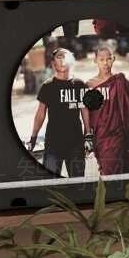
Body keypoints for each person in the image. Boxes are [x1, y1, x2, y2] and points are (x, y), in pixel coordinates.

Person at [84, 42, 129, 177]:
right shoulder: (90, 84)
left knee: (122, 172)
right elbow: (87, 112)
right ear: (95, 61)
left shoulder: (120, 81)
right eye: (102, 60)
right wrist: (88, 136)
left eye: (108, 59)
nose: (105, 63)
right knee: (108, 170)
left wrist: (123, 122)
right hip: (102, 137)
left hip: (119, 134)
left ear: (113, 59)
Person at [27, 47, 87, 178]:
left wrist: (88, 135)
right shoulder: (47, 86)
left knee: (78, 183)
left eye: (65, 56)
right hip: (53, 143)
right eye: (59, 56)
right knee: (51, 183)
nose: (62, 59)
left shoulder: (79, 84)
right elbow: (40, 113)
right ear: (53, 64)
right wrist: (33, 137)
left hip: (76, 143)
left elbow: (85, 110)